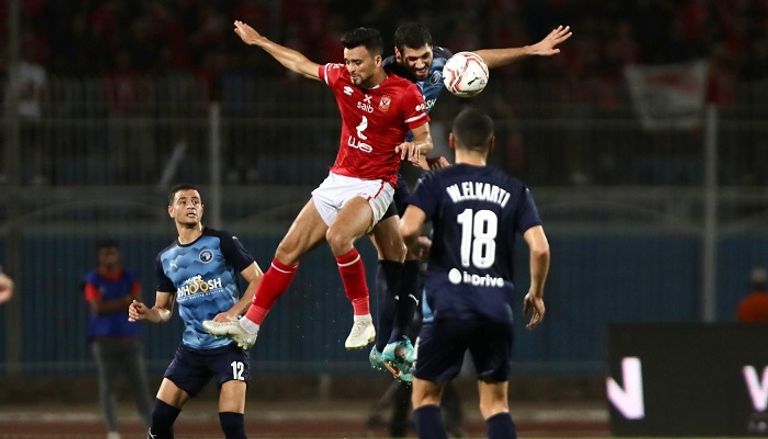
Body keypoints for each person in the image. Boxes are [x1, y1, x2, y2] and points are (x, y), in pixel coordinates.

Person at [202, 21, 433, 352]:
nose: (350, 68)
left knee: (338, 237)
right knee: (286, 250)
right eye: (348, 61)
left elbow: (426, 140)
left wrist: (416, 148)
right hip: (339, 178)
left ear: (378, 60)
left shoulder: (404, 93)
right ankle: (249, 327)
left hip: (376, 183)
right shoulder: (341, 77)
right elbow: (299, 63)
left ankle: (363, 320)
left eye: (358, 62)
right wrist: (261, 40)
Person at [368, 22, 571, 382]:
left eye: (426, 56)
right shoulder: (382, 78)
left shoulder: (438, 65)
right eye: (413, 59)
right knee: (395, 251)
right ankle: (387, 340)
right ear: (397, 55)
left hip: (399, 164)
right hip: (373, 165)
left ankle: (395, 342)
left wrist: (528, 49)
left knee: (404, 251)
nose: (421, 65)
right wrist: (413, 153)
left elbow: (476, 60)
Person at [399, 108, 551, 439]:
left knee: (425, 397)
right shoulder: (515, 189)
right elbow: (540, 248)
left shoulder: (436, 182)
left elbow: (406, 229)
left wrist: (420, 246)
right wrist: (535, 292)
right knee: (496, 405)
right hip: (495, 306)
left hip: (447, 306)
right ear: (492, 144)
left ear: (452, 141)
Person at [128, 184, 263, 439]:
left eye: (196, 201)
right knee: (158, 423)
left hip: (228, 346)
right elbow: (164, 311)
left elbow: (260, 280)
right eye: (183, 201)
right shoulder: (165, 259)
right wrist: (148, 313)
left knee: (232, 426)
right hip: (191, 350)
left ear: (202, 209)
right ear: (171, 211)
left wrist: (233, 312)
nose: (190, 205)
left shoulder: (222, 241)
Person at [83, 240, 152, 439]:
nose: (109, 258)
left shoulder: (130, 276)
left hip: (130, 338)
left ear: (118, 255)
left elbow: (137, 303)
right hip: (103, 341)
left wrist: (113, 304)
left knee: (140, 386)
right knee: (108, 388)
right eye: (105, 254)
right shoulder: (92, 279)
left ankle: (151, 429)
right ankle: (113, 431)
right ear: (99, 256)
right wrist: (123, 301)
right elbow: (97, 307)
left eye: (112, 253)